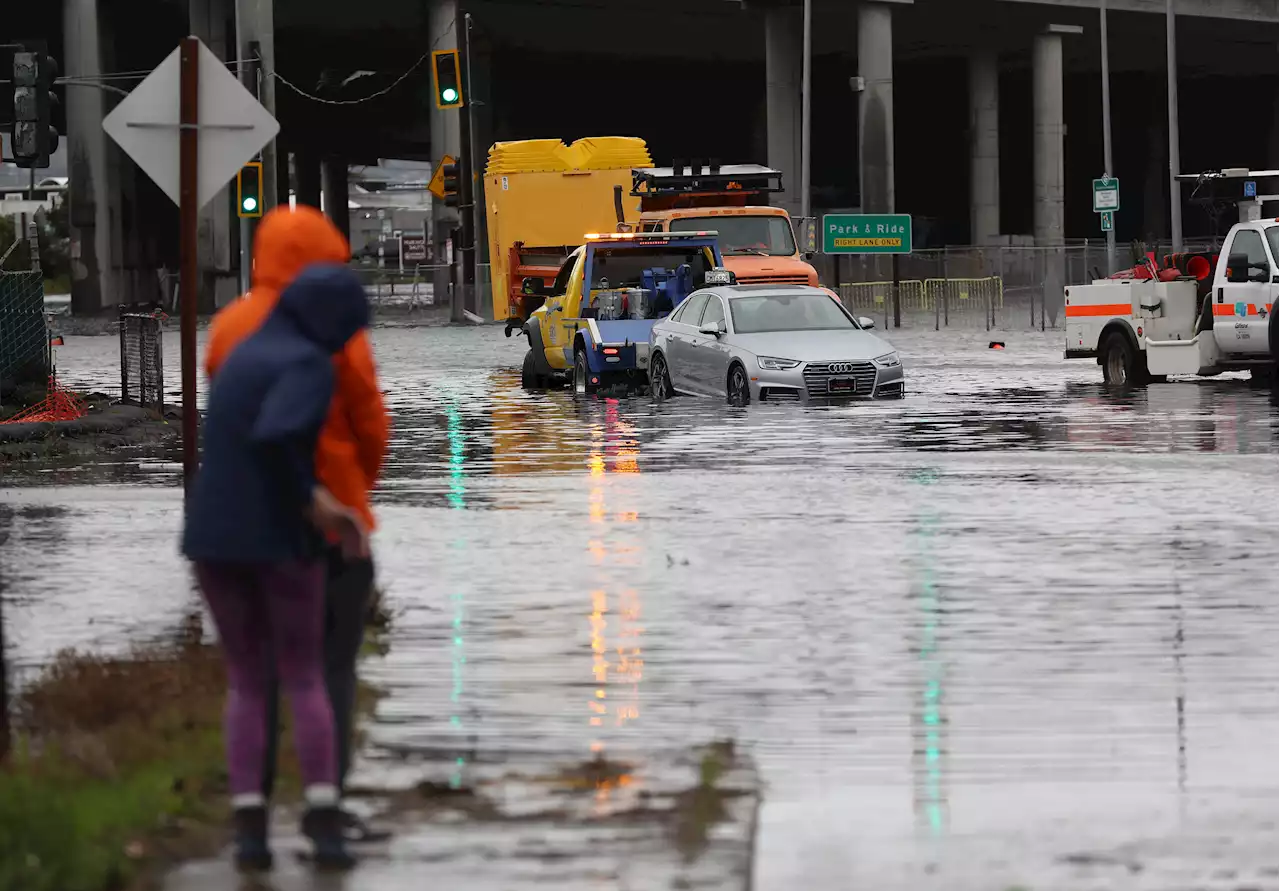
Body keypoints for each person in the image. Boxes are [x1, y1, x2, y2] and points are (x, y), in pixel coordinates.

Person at [205, 206, 391, 843]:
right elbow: (370, 424)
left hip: (240, 521)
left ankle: (252, 814)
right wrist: (353, 495)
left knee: (251, 677)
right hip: (327, 521)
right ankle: (326, 809)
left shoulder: (229, 327)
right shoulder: (333, 334)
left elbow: (226, 424)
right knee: (326, 670)